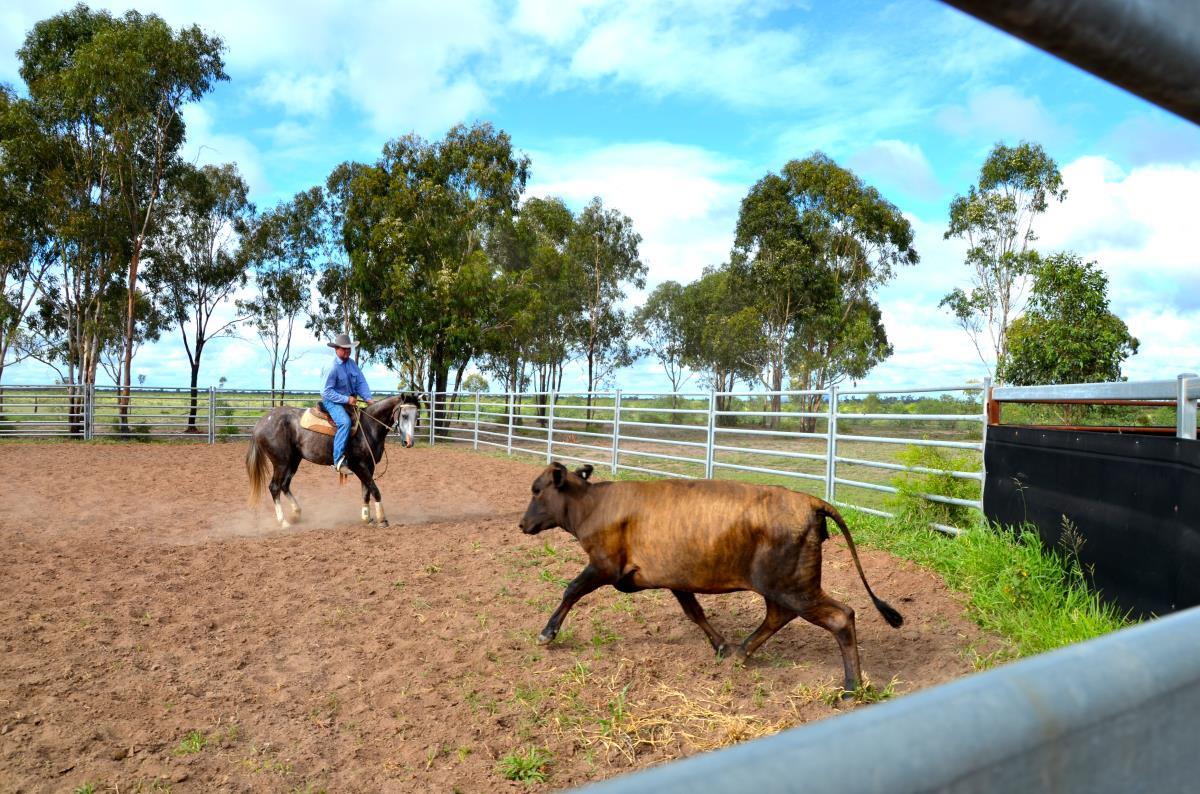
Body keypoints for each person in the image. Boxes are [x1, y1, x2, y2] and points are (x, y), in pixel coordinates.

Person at [321, 333, 373, 475]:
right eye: (344, 348)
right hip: (332, 401)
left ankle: (354, 455)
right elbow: (326, 392)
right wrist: (346, 399)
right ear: (336, 349)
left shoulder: (352, 364)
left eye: (349, 348)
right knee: (345, 422)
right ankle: (338, 460)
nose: (347, 351)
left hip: (349, 401)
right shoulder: (332, 367)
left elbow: (361, 382)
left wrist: (368, 398)